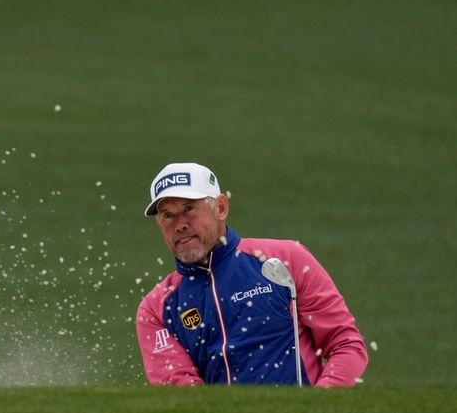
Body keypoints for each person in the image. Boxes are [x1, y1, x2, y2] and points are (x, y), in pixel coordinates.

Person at [135, 162, 368, 387]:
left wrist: (318, 404)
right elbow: (181, 388)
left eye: (189, 209)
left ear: (221, 208)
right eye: (168, 215)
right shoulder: (155, 308)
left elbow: (346, 345)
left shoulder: (286, 259)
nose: (179, 225)